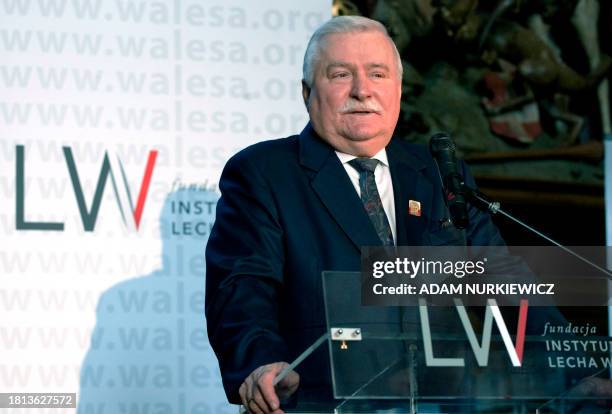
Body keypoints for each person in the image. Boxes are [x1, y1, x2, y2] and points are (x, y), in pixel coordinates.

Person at [205, 15, 506, 414]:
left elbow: (504, 281)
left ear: (398, 90)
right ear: (307, 92)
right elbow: (242, 288)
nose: (363, 91)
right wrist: (261, 361)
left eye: (378, 74)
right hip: (319, 402)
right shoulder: (264, 172)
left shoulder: (438, 171)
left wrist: (576, 365)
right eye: (341, 74)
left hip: (438, 402)